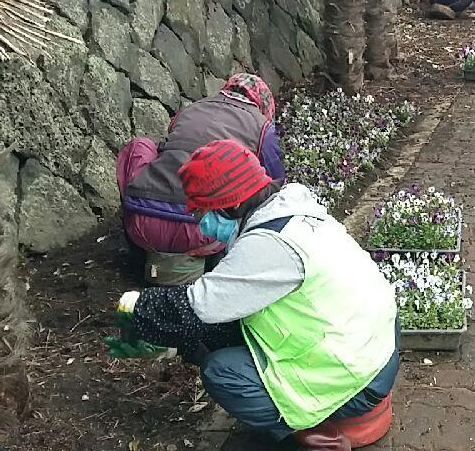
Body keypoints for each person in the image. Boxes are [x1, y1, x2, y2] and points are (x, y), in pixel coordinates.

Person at [113, 139, 399, 450]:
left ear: (231, 205)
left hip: (357, 378)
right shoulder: (295, 213)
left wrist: (135, 308)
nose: (201, 223)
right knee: (224, 332)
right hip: (374, 345)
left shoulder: (269, 247)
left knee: (223, 372)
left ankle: (310, 436)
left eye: (202, 212)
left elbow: (198, 306)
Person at [117, 73, 286, 285]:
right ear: (264, 105)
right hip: (201, 233)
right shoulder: (263, 128)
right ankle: (216, 262)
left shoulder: (191, 109)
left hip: (143, 224)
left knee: (140, 146)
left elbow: (166, 148)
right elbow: (274, 186)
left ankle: (137, 255)